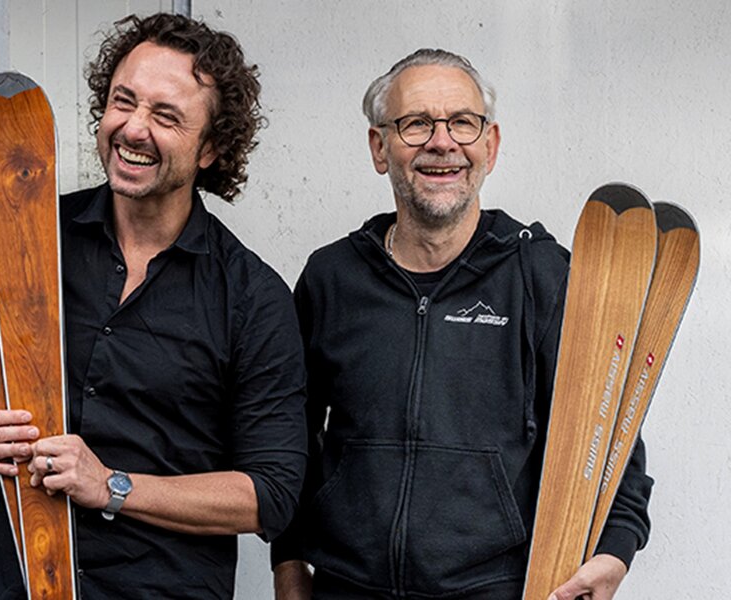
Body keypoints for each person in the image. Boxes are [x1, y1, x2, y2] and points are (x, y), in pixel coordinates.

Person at [0, 12, 306, 600]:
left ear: (211, 148)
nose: (132, 129)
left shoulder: (253, 297)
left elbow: (270, 495)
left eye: (166, 116)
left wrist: (112, 484)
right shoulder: (34, 234)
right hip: (18, 581)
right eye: (122, 101)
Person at [271, 49, 652, 600]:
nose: (442, 142)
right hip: (345, 588)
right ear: (379, 147)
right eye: (416, 123)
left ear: (489, 145)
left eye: (462, 123)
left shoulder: (540, 276)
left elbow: (611, 435)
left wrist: (615, 552)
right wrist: (288, 563)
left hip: (496, 589)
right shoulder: (332, 278)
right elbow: (289, 437)